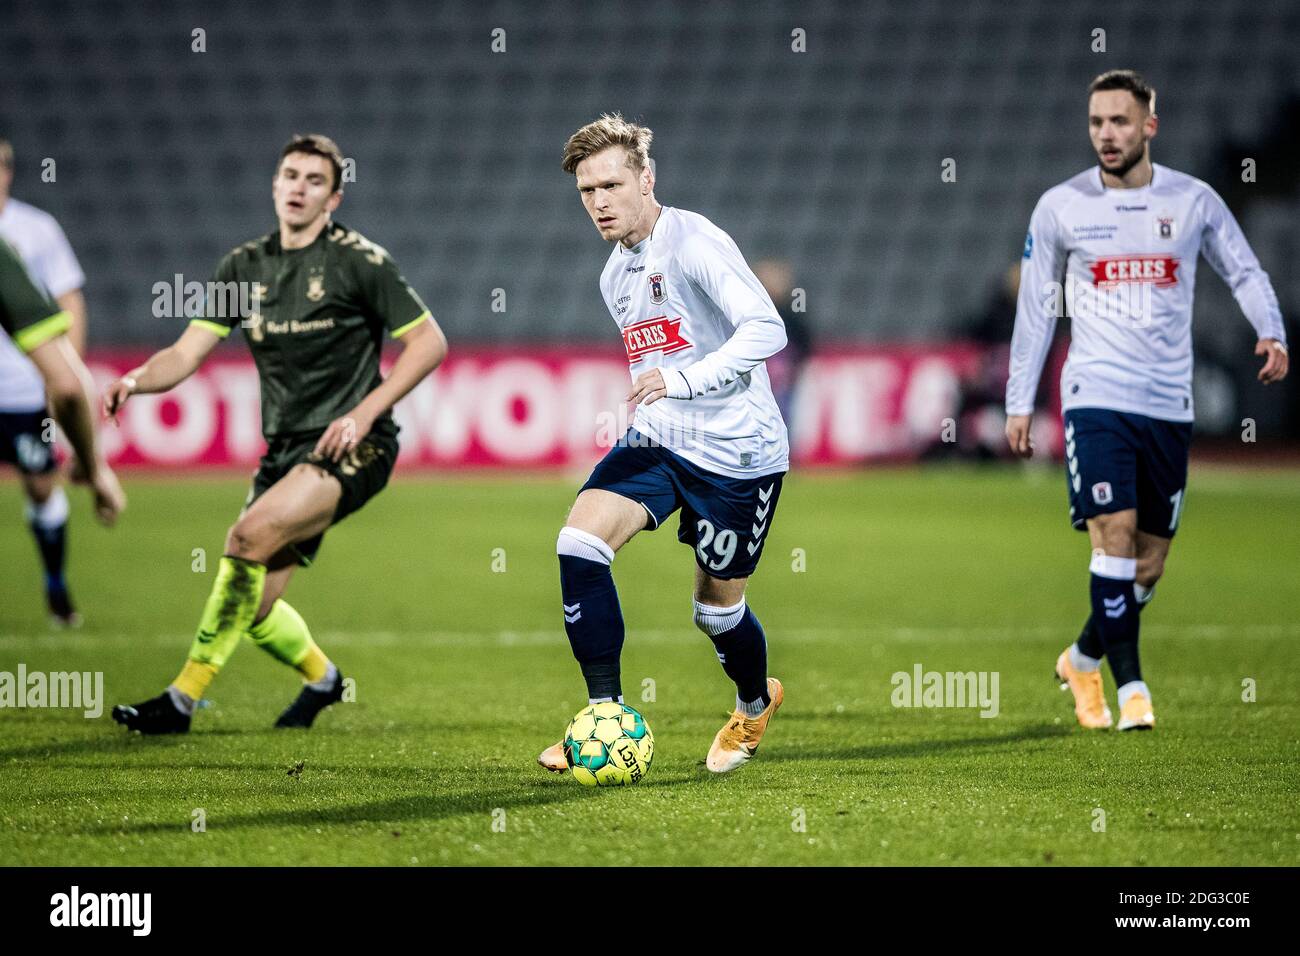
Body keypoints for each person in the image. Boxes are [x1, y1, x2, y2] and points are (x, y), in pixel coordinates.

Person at [107, 134, 447, 734]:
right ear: (274, 184)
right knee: (255, 608)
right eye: (290, 175)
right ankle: (324, 680)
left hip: (354, 444)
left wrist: (364, 413)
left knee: (246, 537)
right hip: (286, 450)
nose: (298, 187)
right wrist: (135, 381)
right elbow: (186, 353)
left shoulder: (359, 262)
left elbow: (429, 343)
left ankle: (180, 701)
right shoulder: (243, 267)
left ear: (334, 198)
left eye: (314, 181)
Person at [1005, 71, 1288, 731]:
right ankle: (1132, 689)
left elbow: (1243, 268)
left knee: (1149, 563)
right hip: (1095, 393)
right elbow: (1037, 309)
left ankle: (1081, 657)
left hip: (1167, 401)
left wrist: (1269, 326)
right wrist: (1021, 400)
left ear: (1148, 127)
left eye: (1120, 122)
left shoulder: (1192, 202)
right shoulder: (1060, 207)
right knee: (1114, 535)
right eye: (1097, 122)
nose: (1107, 134)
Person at [539, 114, 790, 774]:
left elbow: (766, 329)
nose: (598, 202)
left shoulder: (694, 242)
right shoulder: (612, 276)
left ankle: (754, 700)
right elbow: (654, 365)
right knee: (579, 543)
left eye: (611, 185)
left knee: (715, 614)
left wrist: (681, 378)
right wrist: (666, 391)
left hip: (738, 454)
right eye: (587, 191)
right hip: (662, 440)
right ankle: (604, 715)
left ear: (646, 179)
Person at [0, 139, 94, 624]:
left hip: (22, 391)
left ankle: (56, 584)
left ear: (8, 172)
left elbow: (68, 300)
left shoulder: (34, 230)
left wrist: (66, 372)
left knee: (41, 486)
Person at [0, 237, 124, 539]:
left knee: (40, 488)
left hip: (17, 395)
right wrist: (92, 467)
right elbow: (68, 387)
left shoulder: (37, 228)